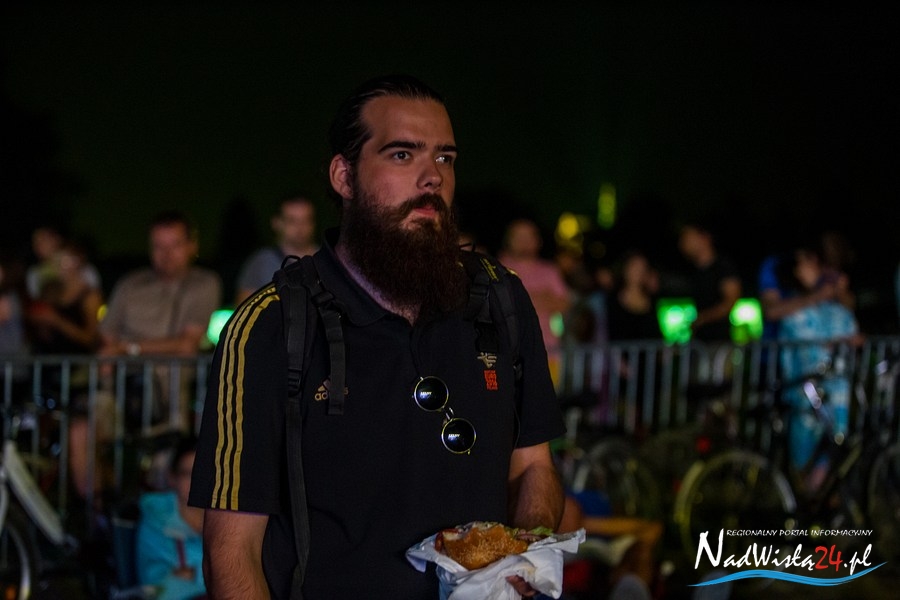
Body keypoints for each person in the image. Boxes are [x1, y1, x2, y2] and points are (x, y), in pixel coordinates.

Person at [189, 74, 565, 599]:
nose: (432, 177)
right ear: (344, 176)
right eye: (403, 155)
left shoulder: (499, 299)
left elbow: (534, 467)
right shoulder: (273, 327)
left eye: (445, 157)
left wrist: (525, 556)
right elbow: (232, 552)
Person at [99, 210, 222, 429]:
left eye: (175, 245)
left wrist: (127, 348)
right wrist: (116, 353)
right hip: (121, 388)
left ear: (192, 246)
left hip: (171, 397)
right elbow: (107, 335)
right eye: (158, 246)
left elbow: (187, 344)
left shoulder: (204, 284)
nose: (167, 254)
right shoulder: (130, 284)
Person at [776, 247, 860, 488]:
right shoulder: (794, 309)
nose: (814, 267)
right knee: (805, 451)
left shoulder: (835, 308)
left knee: (834, 448)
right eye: (806, 263)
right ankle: (801, 499)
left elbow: (851, 324)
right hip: (805, 392)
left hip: (838, 392)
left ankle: (822, 498)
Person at [498, 217, 572, 378]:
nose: (523, 242)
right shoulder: (498, 268)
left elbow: (564, 303)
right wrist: (543, 297)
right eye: (518, 237)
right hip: (507, 354)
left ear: (537, 241)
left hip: (548, 351)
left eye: (528, 236)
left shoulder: (549, 270)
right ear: (508, 240)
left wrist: (525, 298)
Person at [137, 435, 207, 600]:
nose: (197, 482)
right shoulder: (156, 520)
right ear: (172, 477)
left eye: (204, 473)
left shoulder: (226, 517)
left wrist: (193, 574)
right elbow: (160, 589)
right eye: (187, 474)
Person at [234, 194, 318, 306]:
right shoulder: (261, 262)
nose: (300, 228)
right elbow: (244, 308)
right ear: (276, 223)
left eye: (306, 220)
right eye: (292, 221)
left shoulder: (327, 259)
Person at [676, 221, 742, 344]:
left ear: (705, 238)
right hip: (699, 342)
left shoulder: (723, 267)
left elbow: (731, 300)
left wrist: (703, 318)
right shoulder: (692, 272)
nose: (684, 243)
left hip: (720, 342)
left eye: (689, 237)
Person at [25, 224, 101, 301]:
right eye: (36, 242)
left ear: (57, 239)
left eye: (45, 239)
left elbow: (94, 291)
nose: (41, 245)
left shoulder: (82, 266)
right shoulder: (35, 275)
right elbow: (39, 302)